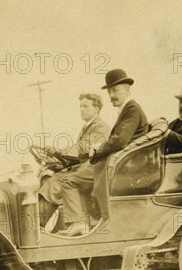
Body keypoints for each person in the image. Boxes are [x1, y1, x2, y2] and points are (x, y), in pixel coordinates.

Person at [56, 69, 148, 236]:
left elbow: (120, 140)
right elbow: (117, 140)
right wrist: (89, 154)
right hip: (119, 163)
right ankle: (87, 221)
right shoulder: (126, 110)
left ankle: (79, 223)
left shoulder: (132, 109)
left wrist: (97, 151)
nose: (112, 95)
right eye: (110, 92)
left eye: (116, 91)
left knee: (67, 181)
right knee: (75, 175)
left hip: (124, 167)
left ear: (128, 90)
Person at [38, 93, 110, 227]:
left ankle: (37, 228)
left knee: (54, 183)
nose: (81, 109)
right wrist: (56, 161)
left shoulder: (101, 127)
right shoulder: (86, 127)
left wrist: (59, 151)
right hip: (85, 168)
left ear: (96, 109)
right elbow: (78, 156)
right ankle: (41, 227)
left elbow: (84, 148)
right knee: (49, 179)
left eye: (85, 106)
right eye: (80, 106)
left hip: (94, 171)